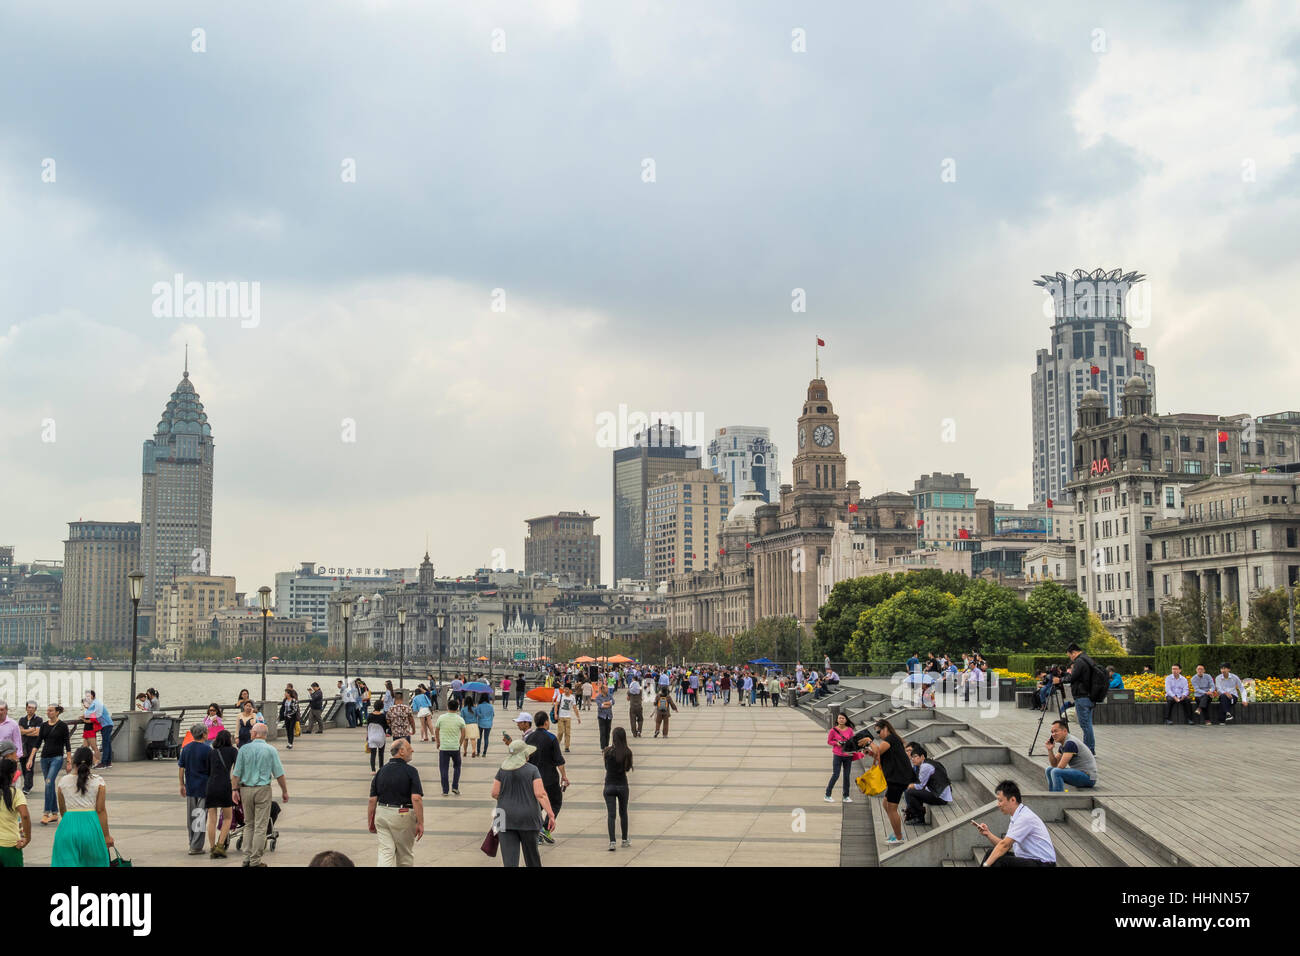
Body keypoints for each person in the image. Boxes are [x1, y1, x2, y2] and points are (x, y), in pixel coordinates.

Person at [230, 723, 290, 867]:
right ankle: (255, 860)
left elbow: (236, 774)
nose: (250, 733)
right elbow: (279, 773)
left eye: (251, 732)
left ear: (256, 734)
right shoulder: (270, 750)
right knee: (260, 826)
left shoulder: (243, 749)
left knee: (249, 824)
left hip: (245, 790)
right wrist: (284, 791)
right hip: (262, 789)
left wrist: (234, 790)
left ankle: (246, 858)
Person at [492, 739, 555, 868]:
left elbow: (494, 793)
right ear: (525, 755)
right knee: (532, 857)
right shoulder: (532, 770)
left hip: (504, 817)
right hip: (528, 818)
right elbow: (540, 794)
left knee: (509, 861)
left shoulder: (502, 770)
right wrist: (551, 814)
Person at [367, 739, 424, 867]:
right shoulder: (411, 771)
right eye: (410, 749)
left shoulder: (381, 771)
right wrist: (420, 822)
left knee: (385, 852)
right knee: (404, 854)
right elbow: (416, 798)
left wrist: (370, 820)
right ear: (402, 751)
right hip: (402, 814)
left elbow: (372, 800)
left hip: (381, 814)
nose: (412, 750)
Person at [51, 747, 112, 867]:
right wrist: (106, 836)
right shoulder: (98, 781)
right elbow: (100, 811)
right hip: (91, 827)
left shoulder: (63, 782)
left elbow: (62, 810)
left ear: (74, 762)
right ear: (91, 762)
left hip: (68, 827)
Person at [975, 780, 1056, 867]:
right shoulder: (1017, 816)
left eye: (1000, 800)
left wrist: (986, 865)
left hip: (1043, 864)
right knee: (991, 853)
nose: (998, 804)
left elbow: (1005, 845)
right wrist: (988, 834)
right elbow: (1006, 845)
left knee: (999, 860)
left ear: (1013, 800)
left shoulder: (1025, 818)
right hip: (1030, 860)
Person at [1052, 643, 1106, 756]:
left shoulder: (1080, 661)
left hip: (1082, 696)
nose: (1070, 659)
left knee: (1085, 725)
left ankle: (1089, 751)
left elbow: (1073, 677)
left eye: (1070, 656)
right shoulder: (1088, 660)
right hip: (1090, 696)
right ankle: (1090, 749)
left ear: (1074, 652)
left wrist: (1060, 680)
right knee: (1088, 724)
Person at [525, 712, 568, 846]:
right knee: (555, 802)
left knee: (536, 805)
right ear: (546, 722)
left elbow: (525, 759)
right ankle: (545, 828)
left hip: (533, 778)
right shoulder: (551, 738)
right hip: (550, 778)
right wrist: (564, 776)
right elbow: (559, 761)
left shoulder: (529, 738)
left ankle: (536, 832)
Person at [867, 718, 912, 845]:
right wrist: (870, 753)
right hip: (896, 777)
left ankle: (899, 837)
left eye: (879, 731)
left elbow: (878, 751)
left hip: (898, 778)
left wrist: (869, 741)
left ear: (886, 728)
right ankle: (897, 832)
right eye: (876, 733)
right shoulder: (891, 740)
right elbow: (878, 754)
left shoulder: (890, 739)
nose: (878, 735)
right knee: (886, 804)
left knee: (892, 808)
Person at [29, 704, 71, 826]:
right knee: (50, 784)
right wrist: (31, 758)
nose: (48, 712)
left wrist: (69, 761)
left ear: (57, 712)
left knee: (48, 782)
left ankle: (46, 813)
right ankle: (54, 813)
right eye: (47, 710)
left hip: (57, 758)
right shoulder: (44, 725)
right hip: (44, 759)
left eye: (51, 711)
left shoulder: (63, 726)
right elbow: (37, 743)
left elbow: (67, 744)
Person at [178, 723, 212, 855]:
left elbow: (181, 768)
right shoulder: (208, 749)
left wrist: (182, 784)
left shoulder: (186, 748)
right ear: (204, 734)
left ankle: (191, 841)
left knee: (191, 816)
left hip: (190, 786)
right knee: (200, 816)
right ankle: (196, 846)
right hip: (204, 787)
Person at [205, 729, 238, 858]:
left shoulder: (211, 752)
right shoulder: (233, 751)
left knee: (212, 819)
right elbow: (237, 769)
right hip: (224, 786)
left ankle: (212, 847)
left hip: (211, 786)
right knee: (227, 818)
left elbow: (208, 770)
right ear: (228, 739)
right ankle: (220, 845)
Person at [902, 743, 951, 825]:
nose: (913, 759)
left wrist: (909, 785)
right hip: (940, 793)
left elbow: (920, 786)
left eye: (915, 756)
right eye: (912, 757)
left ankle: (919, 817)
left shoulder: (925, 766)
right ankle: (913, 812)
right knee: (912, 790)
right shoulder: (929, 763)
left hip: (940, 797)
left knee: (909, 791)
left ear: (922, 757)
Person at [1043, 719, 1097, 792]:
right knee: (1049, 769)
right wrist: (1050, 750)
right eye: (1052, 732)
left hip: (1089, 777)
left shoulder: (1070, 743)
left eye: (1056, 731)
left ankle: (1058, 798)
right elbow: (1054, 764)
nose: (1053, 734)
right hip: (1080, 773)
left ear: (1065, 731)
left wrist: (1056, 769)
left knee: (1056, 772)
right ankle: (1052, 794)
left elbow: (1060, 766)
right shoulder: (1064, 744)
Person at [603, 726, 633, 850]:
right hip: (622, 785)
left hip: (609, 785)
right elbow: (627, 769)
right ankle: (625, 840)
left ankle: (612, 842)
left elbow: (606, 767)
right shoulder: (627, 752)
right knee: (623, 812)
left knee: (611, 814)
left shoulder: (607, 751)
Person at [824, 712, 864, 803]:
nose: (841, 720)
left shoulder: (850, 730)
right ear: (837, 720)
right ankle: (827, 794)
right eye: (839, 718)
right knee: (836, 774)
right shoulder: (833, 730)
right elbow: (829, 741)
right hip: (837, 755)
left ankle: (846, 796)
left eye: (843, 718)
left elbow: (853, 741)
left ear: (846, 720)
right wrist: (836, 743)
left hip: (848, 756)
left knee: (847, 776)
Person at [0, 757, 30, 866]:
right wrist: (27, 838)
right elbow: (25, 816)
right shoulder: (16, 793)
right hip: (10, 845)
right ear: (13, 775)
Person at [434, 704, 466, 796]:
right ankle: (455, 787)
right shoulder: (460, 719)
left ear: (447, 707)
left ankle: (445, 790)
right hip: (455, 747)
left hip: (444, 747)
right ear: (457, 708)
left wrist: (438, 742)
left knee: (444, 769)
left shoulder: (441, 718)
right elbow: (463, 733)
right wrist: (459, 743)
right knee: (457, 767)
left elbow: (436, 730)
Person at [81, 690, 113, 769]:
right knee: (107, 743)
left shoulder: (95, 703)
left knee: (105, 744)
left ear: (92, 696)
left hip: (106, 725)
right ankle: (108, 762)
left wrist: (82, 717)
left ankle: (104, 763)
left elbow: (87, 714)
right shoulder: (95, 703)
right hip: (107, 724)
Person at [17, 701, 42, 795]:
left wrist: (25, 731)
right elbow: (19, 732)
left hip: (33, 746)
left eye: (32, 708)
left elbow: (37, 733)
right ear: (26, 708)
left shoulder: (39, 719)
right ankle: (28, 784)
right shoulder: (22, 719)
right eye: (28, 707)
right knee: (23, 765)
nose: (30, 709)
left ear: (35, 709)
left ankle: (27, 786)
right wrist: (31, 730)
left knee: (29, 765)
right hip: (22, 745)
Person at [555, 684, 580, 751]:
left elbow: (575, 708)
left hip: (568, 717)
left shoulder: (572, 697)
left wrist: (578, 717)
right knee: (560, 732)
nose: (565, 690)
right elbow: (556, 705)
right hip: (561, 716)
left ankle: (567, 747)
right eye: (565, 689)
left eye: (567, 689)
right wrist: (555, 714)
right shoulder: (560, 696)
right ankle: (556, 745)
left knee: (567, 733)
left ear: (570, 690)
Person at [366, 700, 390, 773]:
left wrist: (367, 737)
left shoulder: (370, 715)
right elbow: (386, 726)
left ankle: (373, 770)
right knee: (381, 754)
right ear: (382, 707)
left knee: (373, 754)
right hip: (380, 737)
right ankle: (381, 768)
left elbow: (368, 727)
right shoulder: (382, 716)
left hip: (372, 737)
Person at [594, 682, 614, 750]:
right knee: (602, 732)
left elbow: (613, 702)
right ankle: (603, 748)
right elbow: (600, 705)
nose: (607, 689)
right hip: (601, 717)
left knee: (608, 732)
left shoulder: (610, 695)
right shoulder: (598, 697)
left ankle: (607, 746)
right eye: (606, 688)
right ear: (602, 689)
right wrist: (608, 704)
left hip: (609, 716)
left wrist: (604, 703)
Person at [474, 693, 495, 757]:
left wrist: (482, 716)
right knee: (486, 738)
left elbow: (477, 714)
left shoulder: (479, 706)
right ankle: (484, 753)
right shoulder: (491, 706)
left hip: (480, 723)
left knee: (479, 738)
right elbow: (493, 715)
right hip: (488, 724)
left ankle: (478, 752)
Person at [459, 693, 480, 758]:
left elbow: (461, 718)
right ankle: (473, 751)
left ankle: (465, 751)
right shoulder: (475, 708)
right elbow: (478, 715)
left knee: (465, 739)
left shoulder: (463, 709)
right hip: (474, 725)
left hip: (466, 725)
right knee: (473, 739)